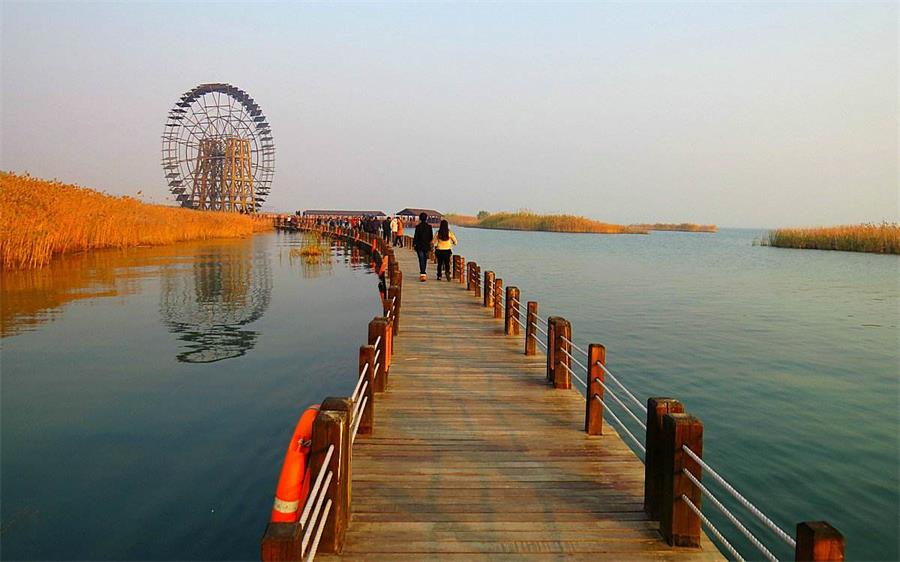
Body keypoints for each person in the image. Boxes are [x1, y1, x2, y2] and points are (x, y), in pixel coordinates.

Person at [412, 212, 433, 282]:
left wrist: (414, 244)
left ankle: (422, 273)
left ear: (420, 218)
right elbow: (431, 237)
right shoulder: (429, 227)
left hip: (419, 245)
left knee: (421, 259)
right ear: (426, 218)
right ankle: (423, 272)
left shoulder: (418, 227)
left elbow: (416, 236)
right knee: (425, 259)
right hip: (426, 245)